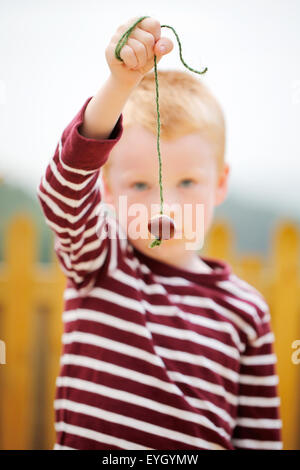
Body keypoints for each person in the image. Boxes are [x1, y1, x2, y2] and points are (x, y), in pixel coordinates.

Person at [37, 16, 282, 450]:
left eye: (186, 183)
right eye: (140, 185)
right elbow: (62, 194)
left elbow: (260, 439)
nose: (165, 206)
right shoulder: (100, 260)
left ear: (220, 183)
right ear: (108, 189)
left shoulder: (248, 311)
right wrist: (118, 84)